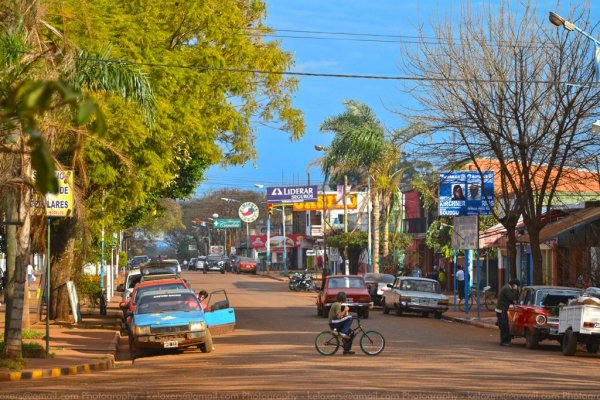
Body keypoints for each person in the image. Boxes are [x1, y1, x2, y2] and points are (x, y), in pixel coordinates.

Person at [496, 279, 520, 346]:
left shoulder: (509, 288)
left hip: (504, 309)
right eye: (517, 286)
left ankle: (506, 340)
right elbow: (512, 297)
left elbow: (516, 297)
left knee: (506, 325)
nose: (517, 288)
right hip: (501, 310)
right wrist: (515, 290)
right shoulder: (506, 288)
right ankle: (504, 341)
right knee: (504, 326)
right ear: (514, 285)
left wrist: (517, 290)